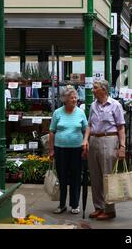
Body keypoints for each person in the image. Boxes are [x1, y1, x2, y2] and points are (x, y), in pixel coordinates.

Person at [84, 79, 126, 220]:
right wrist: (86, 140)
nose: (93, 90)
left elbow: (121, 127)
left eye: (95, 88)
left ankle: (109, 209)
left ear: (104, 89)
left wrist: (122, 147)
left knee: (107, 176)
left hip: (109, 140)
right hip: (94, 140)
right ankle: (98, 207)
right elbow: (89, 125)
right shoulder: (92, 106)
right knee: (95, 177)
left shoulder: (115, 105)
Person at [48, 87, 88, 215]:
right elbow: (52, 131)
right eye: (71, 98)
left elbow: (86, 129)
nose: (74, 100)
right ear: (65, 99)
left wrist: (85, 143)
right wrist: (51, 149)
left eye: (75, 97)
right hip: (60, 150)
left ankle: (75, 205)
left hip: (76, 150)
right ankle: (62, 204)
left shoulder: (80, 113)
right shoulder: (57, 113)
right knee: (62, 177)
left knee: (76, 177)